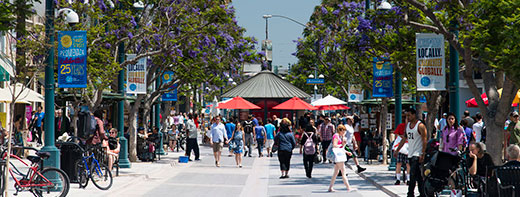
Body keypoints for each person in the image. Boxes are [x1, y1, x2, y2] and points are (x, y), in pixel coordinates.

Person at [394, 108, 427, 197]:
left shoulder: (420, 126)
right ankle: (423, 193)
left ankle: (410, 194)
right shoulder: (407, 126)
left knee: (412, 175)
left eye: (409, 115)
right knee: (418, 176)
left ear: (414, 115)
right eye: (406, 116)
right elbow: (404, 138)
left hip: (418, 153)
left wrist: (422, 153)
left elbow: (424, 140)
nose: (407, 117)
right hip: (410, 153)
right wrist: (397, 150)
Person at [328, 124, 355, 192]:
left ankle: (330, 187)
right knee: (343, 171)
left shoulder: (339, 136)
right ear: (340, 130)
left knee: (336, 172)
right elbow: (335, 146)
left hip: (339, 155)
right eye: (343, 131)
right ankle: (348, 187)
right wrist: (342, 144)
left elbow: (341, 148)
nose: (344, 132)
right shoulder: (336, 136)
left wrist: (346, 151)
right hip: (338, 156)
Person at [393, 116, 410, 185]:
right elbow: (396, 134)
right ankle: (398, 179)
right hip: (401, 147)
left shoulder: (412, 127)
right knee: (398, 163)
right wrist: (402, 137)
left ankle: (408, 179)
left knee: (408, 164)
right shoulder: (401, 126)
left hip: (408, 147)